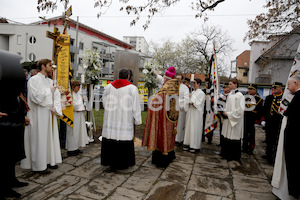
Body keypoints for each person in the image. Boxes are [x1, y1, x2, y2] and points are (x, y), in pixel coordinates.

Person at [21, 59, 63, 173]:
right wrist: (48, 91)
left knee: (48, 139)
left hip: (48, 114)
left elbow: (56, 95)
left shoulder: (49, 81)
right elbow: (35, 97)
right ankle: (39, 166)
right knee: (39, 139)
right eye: (50, 65)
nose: (52, 67)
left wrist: (56, 107)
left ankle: (49, 160)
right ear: (43, 66)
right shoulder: (33, 80)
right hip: (37, 114)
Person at [0, 50, 29, 199]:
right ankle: (4, 188)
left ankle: (12, 180)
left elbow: (17, 100)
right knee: (4, 157)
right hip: (3, 124)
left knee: (12, 156)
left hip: (15, 122)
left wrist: (22, 116)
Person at [101, 68, 142, 170]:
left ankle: (109, 161)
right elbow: (136, 105)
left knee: (111, 139)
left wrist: (111, 110)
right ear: (128, 77)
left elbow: (104, 101)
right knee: (123, 139)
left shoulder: (109, 86)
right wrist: (137, 119)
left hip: (111, 119)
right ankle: (123, 163)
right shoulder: (132, 88)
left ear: (118, 75)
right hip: (124, 119)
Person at [142, 66, 180, 168]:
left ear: (167, 78)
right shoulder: (175, 87)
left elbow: (155, 103)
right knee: (169, 136)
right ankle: (170, 155)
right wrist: (156, 74)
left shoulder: (164, 91)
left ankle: (161, 160)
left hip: (163, 117)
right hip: (172, 118)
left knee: (162, 135)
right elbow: (161, 80)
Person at [272, 76, 300, 200]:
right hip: (293, 136)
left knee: (293, 167)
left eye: (289, 85)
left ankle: (293, 192)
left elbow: (289, 112)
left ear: (296, 83)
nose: (287, 88)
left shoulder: (299, 96)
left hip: (294, 138)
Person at [221, 78, 245, 161]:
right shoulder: (230, 94)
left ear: (236, 84)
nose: (229, 86)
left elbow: (240, 110)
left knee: (233, 136)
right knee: (227, 135)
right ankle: (226, 154)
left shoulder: (240, 96)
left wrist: (229, 114)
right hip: (228, 119)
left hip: (235, 120)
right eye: (229, 84)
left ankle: (233, 156)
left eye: (231, 84)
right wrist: (225, 111)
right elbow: (227, 106)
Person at [262, 82, 283, 164]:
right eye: (273, 88)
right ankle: (268, 154)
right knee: (268, 139)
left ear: (281, 89)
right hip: (269, 122)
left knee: (276, 140)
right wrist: (263, 120)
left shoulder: (283, 98)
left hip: (277, 123)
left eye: (276, 88)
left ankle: (274, 156)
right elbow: (265, 110)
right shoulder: (269, 98)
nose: (274, 89)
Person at [66, 81, 89, 156]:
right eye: (77, 86)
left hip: (79, 115)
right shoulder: (70, 94)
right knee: (73, 132)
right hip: (73, 116)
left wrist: (83, 104)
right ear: (73, 87)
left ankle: (76, 147)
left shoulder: (78, 94)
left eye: (79, 87)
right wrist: (81, 101)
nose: (78, 88)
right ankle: (71, 149)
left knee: (78, 132)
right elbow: (73, 105)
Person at [183, 78, 205, 152]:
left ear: (199, 84)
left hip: (196, 113)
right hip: (191, 112)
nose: (193, 84)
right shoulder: (193, 92)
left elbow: (198, 103)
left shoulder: (201, 93)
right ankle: (188, 143)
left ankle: (195, 145)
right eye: (192, 83)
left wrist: (192, 98)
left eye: (194, 83)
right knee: (189, 127)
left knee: (195, 128)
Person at [243, 84, 263, 155]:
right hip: (246, 117)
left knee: (251, 134)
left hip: (253, 118)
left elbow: (260, 111)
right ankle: (244, 147)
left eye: (251, 89)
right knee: (245, 133)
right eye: (248, 89)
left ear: (255, 90)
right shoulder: (246, 98)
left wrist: (258, 121)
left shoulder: (259, 99)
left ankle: (251, 148)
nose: (249, 90)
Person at [175, 75, 190, 145]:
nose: (177, 80)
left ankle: (179, 139)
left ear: (181, 80)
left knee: (180, 125)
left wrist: (178, 102)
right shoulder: (173, 86)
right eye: (176, 78)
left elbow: (186, 99)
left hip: (181, 109)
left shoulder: (185, 88)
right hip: (173, 109)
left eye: (178, 79)